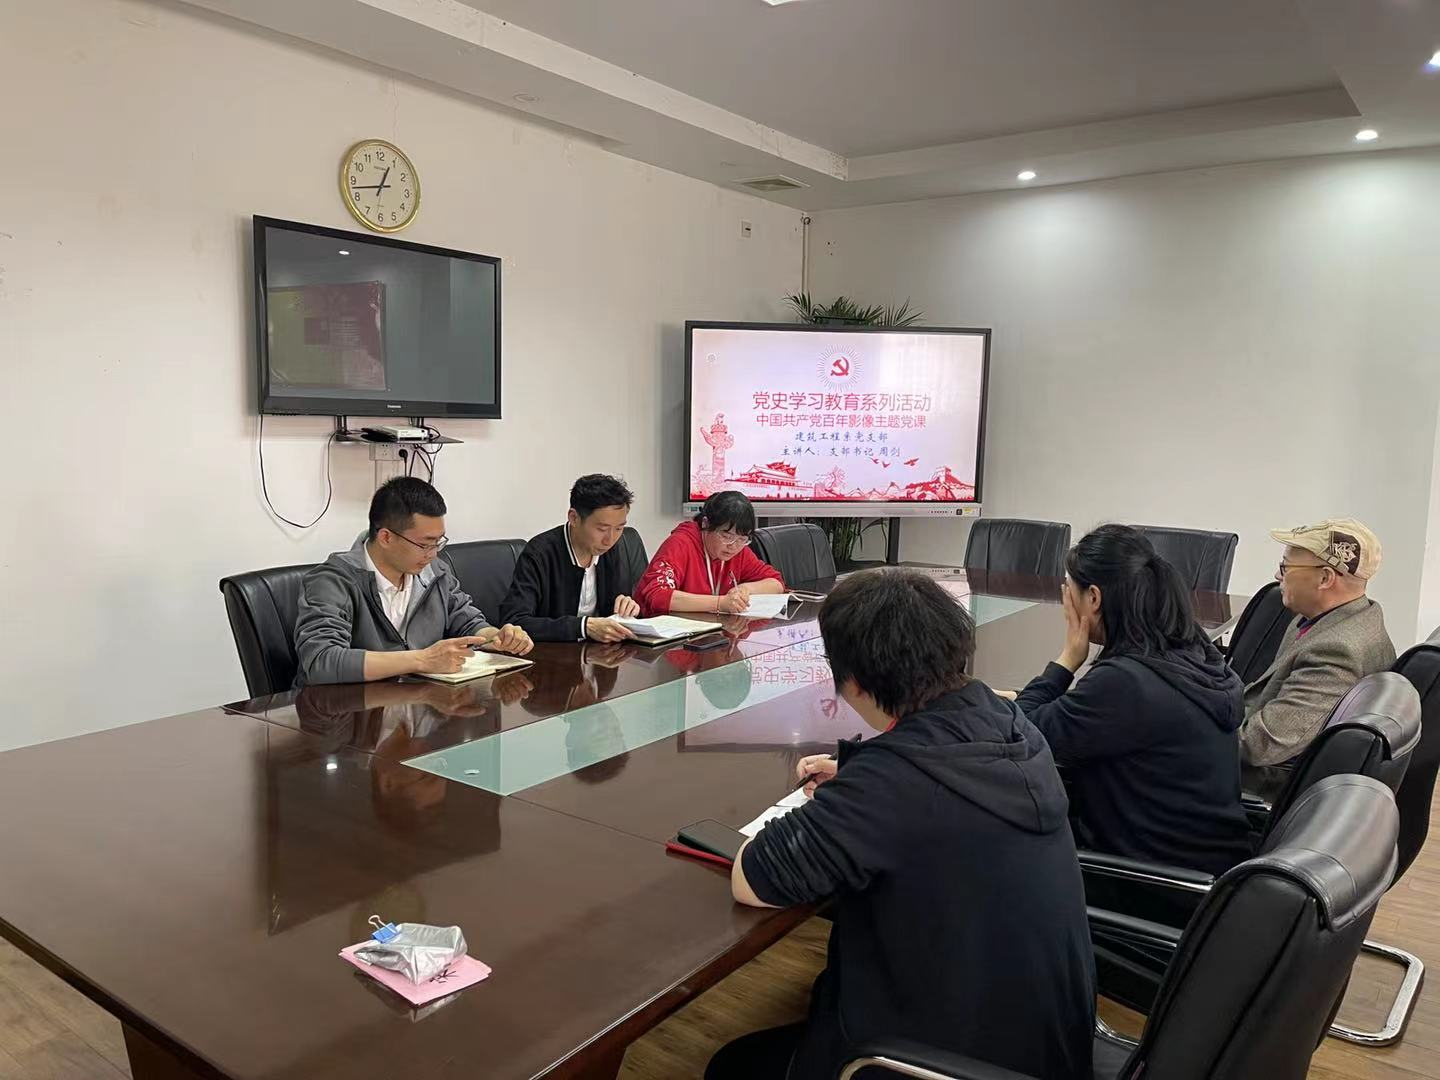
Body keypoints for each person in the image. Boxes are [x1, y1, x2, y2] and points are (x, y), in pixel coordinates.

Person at [711, 570, 1094, 1080]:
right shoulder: (1011, 724)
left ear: (852, 680)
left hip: (940, 1059)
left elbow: (753, 878)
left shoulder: (889, 785)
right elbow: (927, 778)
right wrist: (859, 770)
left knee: (731, 1067)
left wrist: (862, 786)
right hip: (1042, 1044)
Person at [1011, 525, 1251, 876]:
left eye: (1069, 590)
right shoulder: (1195, 651)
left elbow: (1018, 735)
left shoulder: (1125, 682)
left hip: (1146, 882)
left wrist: (1066, 661)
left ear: (1094, 598)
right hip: (1207, 867)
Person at [293, 476, 532, 686]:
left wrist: (495, 637)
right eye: (424, 544)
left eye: (438, 542)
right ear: (386, 537)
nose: (433, 554)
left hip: (416, 706)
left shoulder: (435, 572)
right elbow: (321, 661)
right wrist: (421, 660)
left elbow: (466, 621)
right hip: (344, 713)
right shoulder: (332, 582)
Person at [1240, 519, 1396, 766]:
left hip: (1259, 778)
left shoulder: (1337, 652)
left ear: (1325, 578)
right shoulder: (1338, 618)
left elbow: (1259, 745)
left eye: (1285, 567)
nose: (1277, 575)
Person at [500, 474, 648, 643]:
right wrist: (583, 627)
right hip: (552, 655)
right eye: (602, 529)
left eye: (619, 528)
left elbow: (613, 614)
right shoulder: (540, 553)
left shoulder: (612, 548)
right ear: (574, 518)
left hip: (600, 653)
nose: (610, 539)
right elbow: (515, 621)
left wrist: (628, 608)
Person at [634, 490, 784, 616]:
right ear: (706, 524)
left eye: (742, 539)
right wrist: (720, 603)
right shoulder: (681, 543)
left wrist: (746, 589)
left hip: (711, 631)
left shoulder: (738, 549)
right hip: (665, 634)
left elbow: (776, 583)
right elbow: (656, 595)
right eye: (726, 536)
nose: (733, 546)